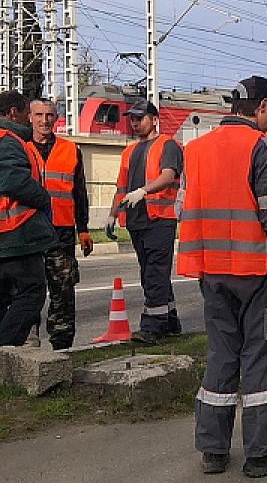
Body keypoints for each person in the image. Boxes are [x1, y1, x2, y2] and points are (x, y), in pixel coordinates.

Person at [178, 75, 267, 478]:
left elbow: (183, 209)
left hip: (212, 273)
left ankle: (213, 451)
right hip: (258, 274)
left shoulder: (194, 150)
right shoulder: (262, 148)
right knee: (260, 360)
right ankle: (264, 453)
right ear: (263, 106)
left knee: (221, 356)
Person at [106, 99, 182, 344]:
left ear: (154, 120)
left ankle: (153, 326)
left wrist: (144, 191)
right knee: (151, 271)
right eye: (133, 119)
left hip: (160, 219)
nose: (135, 123)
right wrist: (112, 214)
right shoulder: (129, 150)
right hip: (136, 220)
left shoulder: (168, 145)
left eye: (140, 118)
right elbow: (121, 186)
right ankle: (169, 320)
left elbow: (168, 175)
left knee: (154, 273)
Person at [27, 99, 92, 350]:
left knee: (63, 290)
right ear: (30, 117)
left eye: (50, 115)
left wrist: (83, 229)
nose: (45, 120)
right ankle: (27, 341)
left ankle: (62, 346)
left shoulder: (70, 149)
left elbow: (79, 193)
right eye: (39, 115)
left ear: (56, 118)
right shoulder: (18, 148)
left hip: (61, 231)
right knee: (28, 289)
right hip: (28, 230)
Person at [0, 91, 55, 346]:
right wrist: (43, 198)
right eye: (26, 113)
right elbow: (13, 180)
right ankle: (6, 351)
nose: (29, 119)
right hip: (15, 233)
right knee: (32, 292)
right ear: (13, 112)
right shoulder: (8, 139)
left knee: (3, 297)